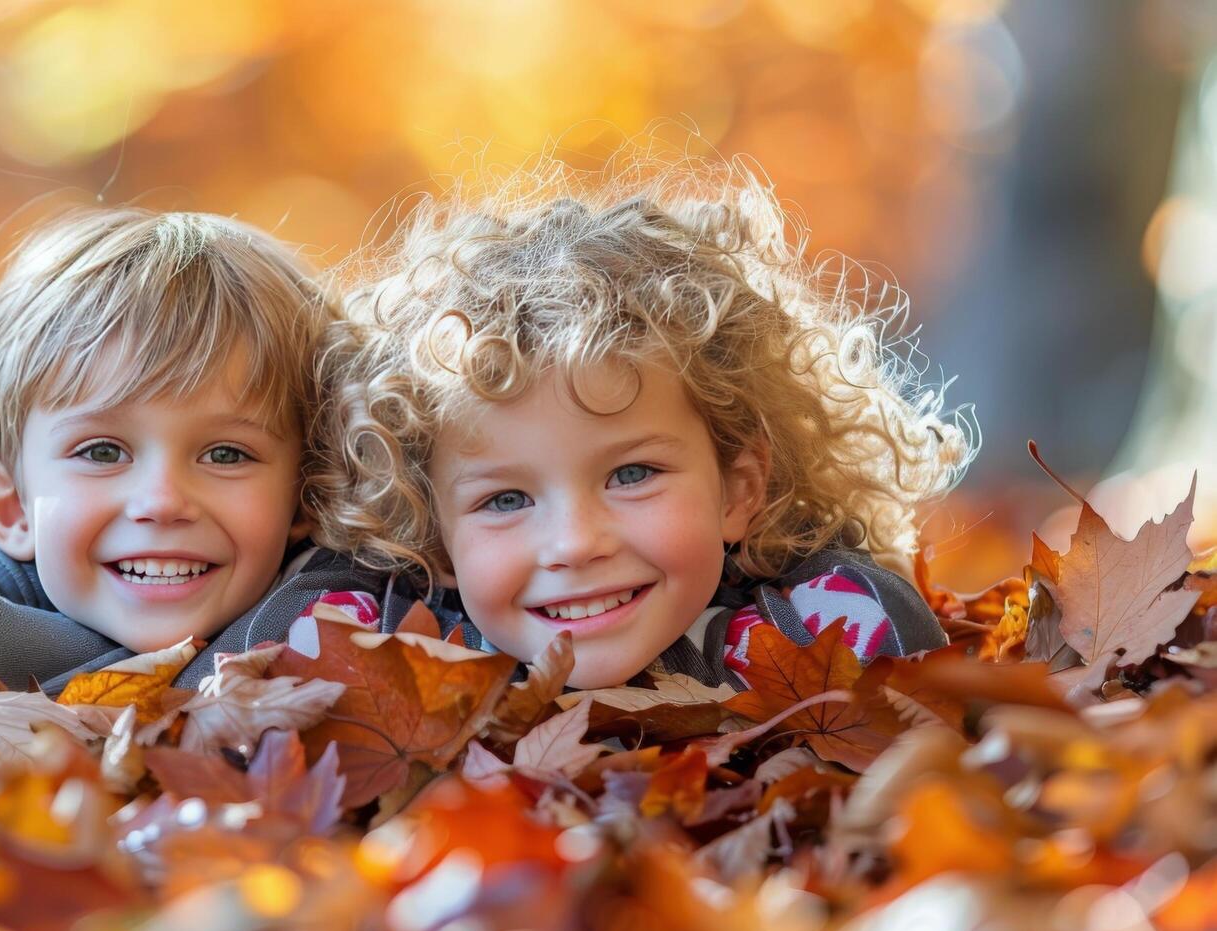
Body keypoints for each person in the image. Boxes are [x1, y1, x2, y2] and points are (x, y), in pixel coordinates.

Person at [308, 155, 975, 689]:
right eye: (505, 499)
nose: (573, 543)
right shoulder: (385, 651)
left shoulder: (829, 627)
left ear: (738, 490)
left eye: (631, 474)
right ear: (432, 536)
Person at [0, 207, 408, 691]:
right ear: (11, 507)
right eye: (102, 452)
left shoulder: (340, 586)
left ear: (308, 494)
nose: (161, 501)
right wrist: (181, 677)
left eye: (226, 454)